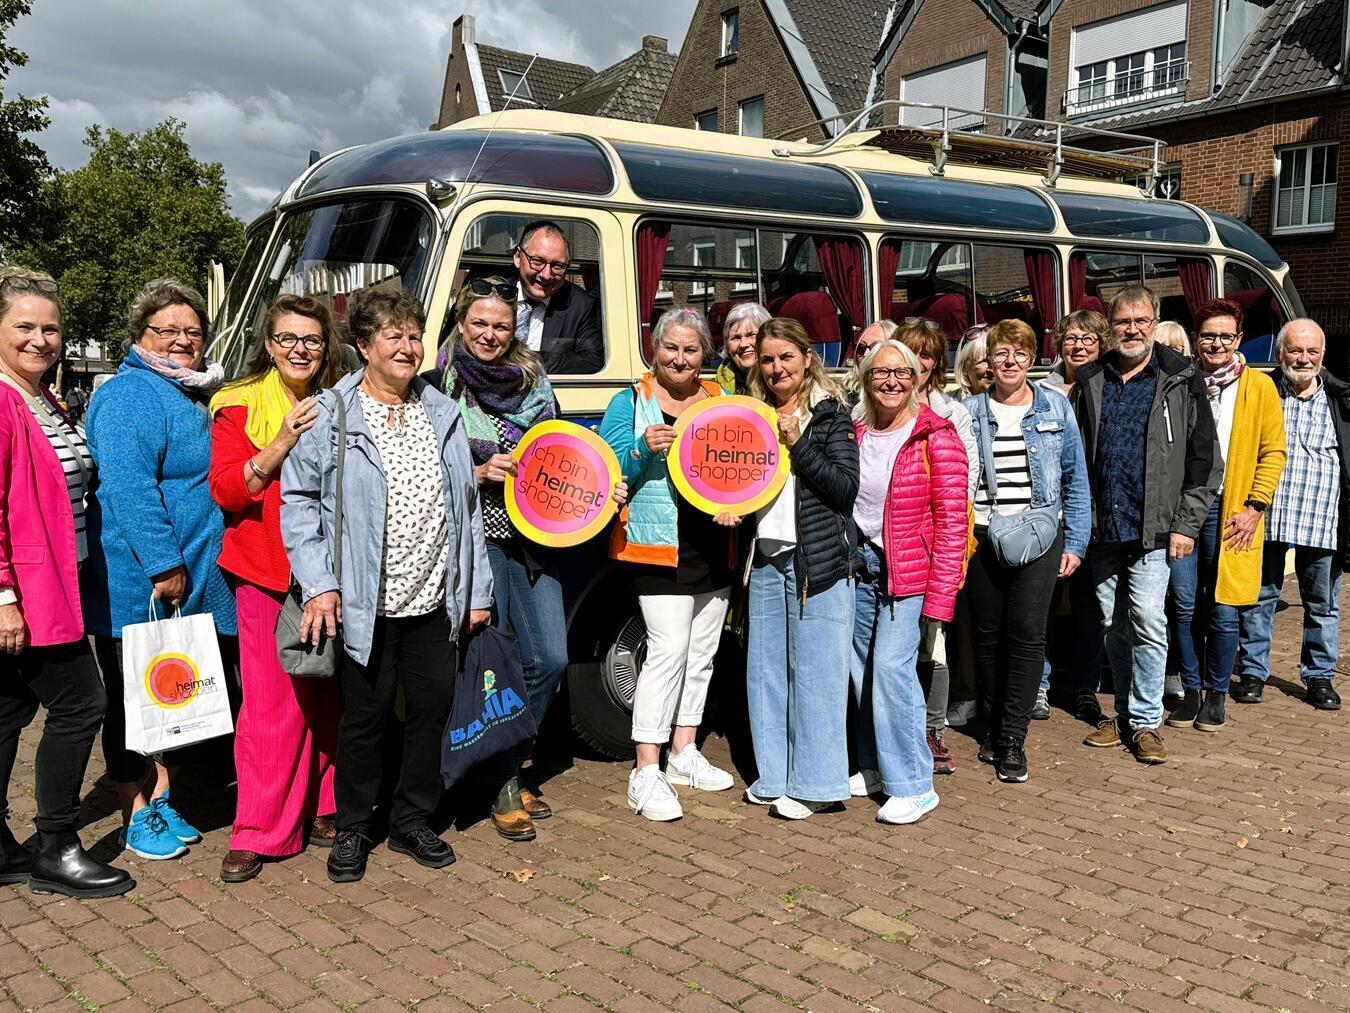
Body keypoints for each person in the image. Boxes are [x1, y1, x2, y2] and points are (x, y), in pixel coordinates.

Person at [282, 287, 493, 883]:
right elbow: (298, 504)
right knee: (366, 719)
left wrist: (476, 592)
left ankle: (410, 820)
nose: (407, 347)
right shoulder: (330, 413)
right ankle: (353, 829)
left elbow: (466, 508)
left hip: (433, 596)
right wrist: (320, 585)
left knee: (429, 712)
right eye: (393, 336)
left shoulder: (441, 412)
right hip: (364, 601)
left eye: (413, 335)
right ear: (364, 344)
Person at [443, 276, 625, 839]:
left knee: (547, 656)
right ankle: (498, 782)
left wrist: (604, 488)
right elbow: (424, 470)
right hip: (473, 541)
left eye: (501, 324)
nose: (490, 334)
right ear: (462, 323)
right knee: (480, 662)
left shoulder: (534, 381)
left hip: (531, 543)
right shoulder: (438, 383)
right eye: (480, 323)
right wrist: (474, 473)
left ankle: (508, 761)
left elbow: (564, 458)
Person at [84, 278, 235, 861]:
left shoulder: (184, 393)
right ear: (139, 335)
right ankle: (134, 812)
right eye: (166, 330)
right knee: (131, 699)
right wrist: (165, 564)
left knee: (166, 693)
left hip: (183, 576)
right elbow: (128, 486)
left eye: (192, 332)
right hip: (139, 580)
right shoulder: (129, 396)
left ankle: (162, 795)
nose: (181, 341)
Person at [0, 268, 133, 898]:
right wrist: (5, 599)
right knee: (81, 704)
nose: (40, 339)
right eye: (23, 326)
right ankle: (56, 845)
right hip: (28, 591)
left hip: (55, 580)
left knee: (9, 709)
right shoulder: (3, 402)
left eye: (50, 328)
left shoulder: (40, 397)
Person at [208, 294, 346, 883]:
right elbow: (227, 491)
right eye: (288, 339)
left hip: (331, 574)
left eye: (311, 340)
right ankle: (258, 828)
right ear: (268, 345)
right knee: (271, 703)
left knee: (327, 692)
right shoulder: (236, 405)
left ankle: (326, 803)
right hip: (265, 572)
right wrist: (284, 438)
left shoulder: (342, 399)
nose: (300, 350)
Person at [1073, 286, 1222, 764]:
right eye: (1122, 322)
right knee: (1113, 623)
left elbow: (1204, 462)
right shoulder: (1091, 377)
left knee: (1149, 620)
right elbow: (1076, 458)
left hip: (1156, 528)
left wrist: (1186, 525)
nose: (1131, 330)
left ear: (1155, 323)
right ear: (1110, 326)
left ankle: (1145, 721)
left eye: (1140, 321)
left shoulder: (1181, 377)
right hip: (1103, 527)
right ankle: (1121, 716)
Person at [599, 308, 734, 823]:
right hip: (656, 543)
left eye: (691, 349)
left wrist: (736, 502)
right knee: (667, 650)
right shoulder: (630, 400)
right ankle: (645, 770)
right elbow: (608, 472)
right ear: (654, 350)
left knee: (702, 653)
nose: (680, 358)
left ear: (705, 354)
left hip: (713, 540)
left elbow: (742, 465)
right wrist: (639, 449)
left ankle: (683, 752)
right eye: (671, 348)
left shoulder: (721, 401)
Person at [965, 320, 1091, 782]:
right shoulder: (970, 410)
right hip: (981, 533)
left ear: (1032, 357)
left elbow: (1076, 479)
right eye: (1001, 353)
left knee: (1026, 634)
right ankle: (994, 726)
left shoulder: (1054, 405)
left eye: (1020, 352)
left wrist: (1075, 540)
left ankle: (1012, 738)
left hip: (1041, 531)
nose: (1010, 361)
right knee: (987, 635)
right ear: (989, 360)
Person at [744, 318, 859, 820]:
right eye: (767, 360)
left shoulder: (831, 416)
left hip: (820, 561)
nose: (775, 369)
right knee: (766, 670)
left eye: (785, 357)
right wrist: (729, 508)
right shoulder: (748, 416)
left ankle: (818, 783)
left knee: (817, 674)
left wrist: (799, 442)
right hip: (767, 555)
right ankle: (775, 776)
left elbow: (843, 489)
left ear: (806, 358)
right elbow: (737, 481)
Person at [849, 338, 966, 821]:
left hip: (910, 572)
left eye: (901, 372)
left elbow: (953, 522)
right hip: (862, 566)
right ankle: (875, 765)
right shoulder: (855, 432)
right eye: (880, 373)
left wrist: (940, 599)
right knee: (857, 668)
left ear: (917, 380)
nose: (891, 381)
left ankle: (916, 783)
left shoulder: (936, 436)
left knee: (892, 670)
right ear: (866, 379)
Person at [1164, 299, 1286, 732]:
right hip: (1184, 510)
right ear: (1196, 339)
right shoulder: (1179, 382)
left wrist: (1255, 506)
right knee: (1181, 603)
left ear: (1239, 339)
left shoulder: (1259, 387)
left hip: (1234, 509)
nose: (1216, 343)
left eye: (1226, 335)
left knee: (1224, 606)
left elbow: (1273, 453)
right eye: (1208, 335)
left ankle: (1216, 694)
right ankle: (1190, 690)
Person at [1235, 319, 1349, 710]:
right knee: (1260, 597)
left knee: (1322, 603)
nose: (1303, 359)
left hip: (1324, 519)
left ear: (1322, 355)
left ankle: (1318, 676)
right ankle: (1253, 671)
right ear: (1280, 353)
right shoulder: (1261, 391)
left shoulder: (1342, 400)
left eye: (1311, 351)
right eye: (1295, 350)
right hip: (1268, 515)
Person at [893, 318, 977, 776]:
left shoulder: (952, 414)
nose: (919, 363)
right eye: (911, 352)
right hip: (891, 544)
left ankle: (932, 729)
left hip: (933, 543)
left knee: (934, 643)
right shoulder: (872, 405)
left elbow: (965, 484)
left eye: (927, 355)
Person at [1035, 310, 1111, 723]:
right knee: (1042, 602)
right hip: (1049, 513)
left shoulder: (1107, 387)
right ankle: (1040, 684)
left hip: (1095, 511)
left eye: (1088, 339)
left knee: (1088, 605)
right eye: (1071, 338)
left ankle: (1085, 687)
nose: (1079, 346)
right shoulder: (1041, 390)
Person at [512, 220, 603, 375]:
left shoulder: (580, 305)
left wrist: (529, 363)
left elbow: (593, 360)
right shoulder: (490, 295)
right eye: (537, 261)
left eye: (557, 266)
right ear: (518, 257)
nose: (546, 275)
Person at [716, 302, 770, 396]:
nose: (743, 344)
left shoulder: (781, 381)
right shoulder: (716, 389)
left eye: (751, 335)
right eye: (736, 337)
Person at [954, 324, 992, 398]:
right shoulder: (949, 405)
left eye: (993, 360)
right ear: (964, 368)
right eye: (983, 361)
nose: (991, 369)